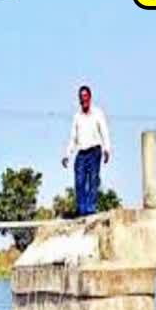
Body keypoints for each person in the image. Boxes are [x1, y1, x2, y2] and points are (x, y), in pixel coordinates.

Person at [62, 85, 111, 216]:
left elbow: (104, 132)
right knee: (79, 181)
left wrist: (107, 149)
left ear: (89, 97)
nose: (83, 99)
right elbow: (73, 137)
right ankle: (82, 210)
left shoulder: (98, 113)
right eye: (81, 97)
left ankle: (90, 209)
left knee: (93, 180)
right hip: (82, 153)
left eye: (85, 96)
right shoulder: (77, 117)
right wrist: (67, 155)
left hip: (95, 151)